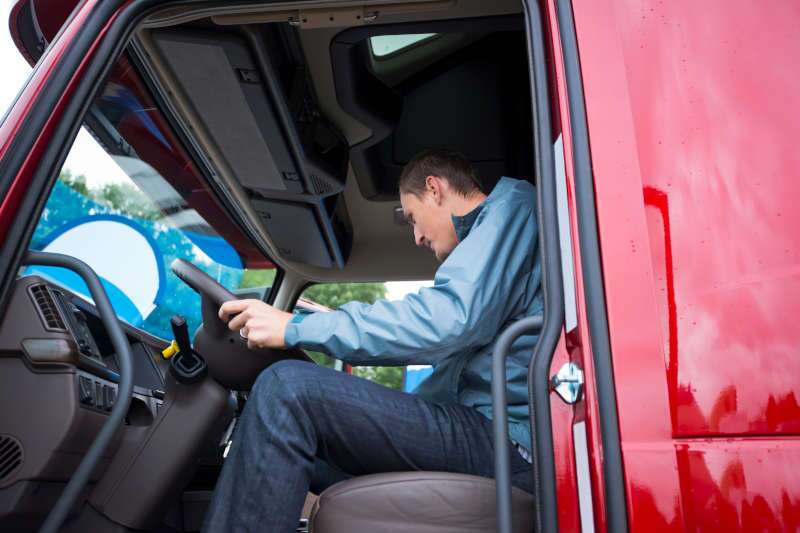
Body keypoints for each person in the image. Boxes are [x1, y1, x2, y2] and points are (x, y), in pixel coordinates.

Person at [203, 149, 542, 532]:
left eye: (412, 218)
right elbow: (443, 361)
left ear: (434, 188)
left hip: (508, 444)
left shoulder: (512, 206)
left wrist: (294, 328)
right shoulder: (484, 259)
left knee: (287, 388)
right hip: (481, 431)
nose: (416, 237)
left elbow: (445, 320)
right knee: (307, 449)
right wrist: (360, 405)